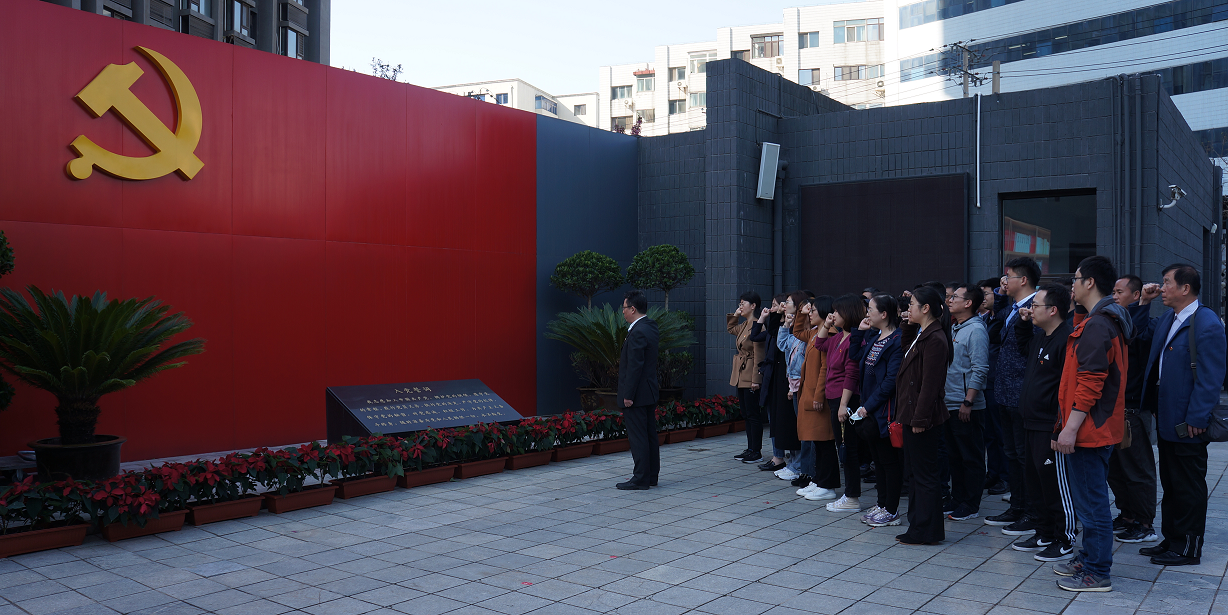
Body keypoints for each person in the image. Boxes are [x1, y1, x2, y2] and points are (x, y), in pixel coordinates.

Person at [1137, 264, 1226, 567]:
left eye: (1166, 283)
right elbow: (1139, 334)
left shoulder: (1206, 322)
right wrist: (1143, 302)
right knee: (1172, 483)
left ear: (1185, 288)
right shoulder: (1168, 318)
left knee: (1188, 485)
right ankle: (1172, 539)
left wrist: (1197, 418)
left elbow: (1211, 378)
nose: (1161, 288)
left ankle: (1188, 547)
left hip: (1189, 422)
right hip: (1167, 417)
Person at [1052, 256, 1131, 592]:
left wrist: (1070, 428)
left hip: (1090, 429)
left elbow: (1090, 382)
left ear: (1090, 283)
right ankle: (1088, 559)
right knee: (1089, 500)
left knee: (1092, 504)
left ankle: (1097, 571)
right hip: (1095, 427)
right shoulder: (1098, 319)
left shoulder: (1099, 324)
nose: (1072, 284)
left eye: (1076, 278)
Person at [1011, 283, 1076, 562]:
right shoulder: (1041, 337)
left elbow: (1068, 389)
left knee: (1054, 483)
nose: (1030, 309)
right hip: (1031, 420)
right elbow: (1023, 347)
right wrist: (1023, 324)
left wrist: (1062, 427)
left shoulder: (1067, 339)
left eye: (1035, 305)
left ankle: (1064, 538)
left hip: (1051, 424)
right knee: (1035, 480)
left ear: (1053, 310)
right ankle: (1044, 532)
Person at [985, 257, 1042, 533]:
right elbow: (998, 326)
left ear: (1024, 280)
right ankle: (1017, 506)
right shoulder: (1012, 308)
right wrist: (999, 295)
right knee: (1011, 452)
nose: (1004, 281)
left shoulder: (1036, 308)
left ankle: (1031, 511)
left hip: (1022, 393)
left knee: (1023, 455)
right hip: (1005, 392)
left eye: (1009, 276)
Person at [894, 286, 953, 545]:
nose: (908, 309)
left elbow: (931, 385)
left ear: (926, 308)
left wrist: (919, 419)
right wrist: (908, 324)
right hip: (912, 413)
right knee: (915, 474)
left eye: (912, 305)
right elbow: (906, 351)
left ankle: (927, 530)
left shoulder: (935, 338)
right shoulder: (923, 333)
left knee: (925, 476)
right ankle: (917, 526)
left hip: (924, 418)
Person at [1109, 275, 1159, 544]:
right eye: (1113, 292)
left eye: (1120, 292)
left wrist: (1144, 305)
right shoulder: (1114, 321)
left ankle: (1144, 523)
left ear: (1136, 295)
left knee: (1138, 469)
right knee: (1116, 469)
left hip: (1133, 410)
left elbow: (1136, 337)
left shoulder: (1145, 324)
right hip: (1114, 409)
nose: (1115, 296)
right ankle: (1127, 515)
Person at [849, 294, 905, 527]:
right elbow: (855, 356)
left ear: (884, 314)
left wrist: (867, 406)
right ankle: (882, 504)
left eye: (870, 309)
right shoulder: (875, 336)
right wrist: (859, 332)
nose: (867, 313)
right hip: (871, 410)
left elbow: (890, 382)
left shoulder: (897, 340)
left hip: (884, 411)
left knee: (889, 462)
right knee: (878, 461)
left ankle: (891, 509)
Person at [783, 297, 840, 500]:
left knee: (825, 442)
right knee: (817, 441)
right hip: (809, 392)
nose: (810, 314)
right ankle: (818, 480)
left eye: (813, 310)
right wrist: (801, 312)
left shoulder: (829, 334)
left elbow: (825, 368)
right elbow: (797, 332)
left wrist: (818, 395)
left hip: (818, 396)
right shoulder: (815, 333)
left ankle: (827, 484)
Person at [943, 283, 989, 521]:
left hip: (966, 406)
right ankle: (957, 498)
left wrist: (968, 401)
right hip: (948, 403)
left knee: (971, 457)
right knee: (954, 456)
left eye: (955, 297)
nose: (950, 300)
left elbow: (980, 369)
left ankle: (971, 504)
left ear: (968, 303)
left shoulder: (976, 330)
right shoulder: (954, 327)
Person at [818, 294, 866, 512]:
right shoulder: (838, 337)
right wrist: (826, 324)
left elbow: (851, 375)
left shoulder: (854, 339)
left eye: (837, 311)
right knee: (843, 447)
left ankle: (852, 497)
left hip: (845, 398)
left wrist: (843, 405)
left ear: (848, 313)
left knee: (848, 448)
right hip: (834, 398)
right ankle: (850, 494)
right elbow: (819, 343)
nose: (833, 314)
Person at [753, 294, 801, 474]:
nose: (777, 307)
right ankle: (781, 458)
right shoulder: (782, 325)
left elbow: (786, 349)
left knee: (788, 421)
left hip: (788, 379)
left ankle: (795, 463)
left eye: (783, 303)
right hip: (776, 376)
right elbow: (762, 335)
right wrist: (772, 316)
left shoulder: (797, 327)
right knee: (776, 419)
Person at [617, 290, 660, 490]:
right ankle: (651, 476)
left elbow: (635, 367)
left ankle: (641, 478)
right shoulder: (650, 326)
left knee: (639, 437)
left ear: (633, 309)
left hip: (637, 395)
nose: (623, 312)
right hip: (648, 392)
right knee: (649, 435)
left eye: (624, 308)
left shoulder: (638, 332)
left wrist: (628, 395)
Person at [979, 278, 1010, 496]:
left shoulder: (1002, 317)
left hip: (997, 381)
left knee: (1000, 434)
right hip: (986, 382)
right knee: (989, 433)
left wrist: (1001, 295)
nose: (983, 298)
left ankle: (1006, 477)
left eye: (987, 294)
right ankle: (994, 473)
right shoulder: (986, 319)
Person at [729, 292, 766, 464]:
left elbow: (759, 355)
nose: (740, 306)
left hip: (750, 373)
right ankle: (750, 448)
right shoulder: (744, 325)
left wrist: (756, 379)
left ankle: (756, 451)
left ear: (753, 306)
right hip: (741, 374)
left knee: (753, 414)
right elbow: (731, 329)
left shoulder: (758, 326)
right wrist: (735, 315)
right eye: (740, 303)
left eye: (743, 303)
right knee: (746, 413)